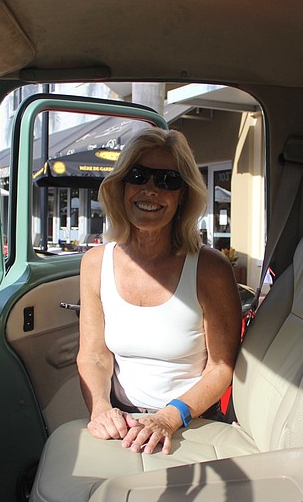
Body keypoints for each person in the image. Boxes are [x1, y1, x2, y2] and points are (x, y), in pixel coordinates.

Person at [77, 127, 241, 456]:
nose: (150, 190)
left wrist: (169, 417)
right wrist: (99, 408)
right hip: (122, 420)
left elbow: (221, 367)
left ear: (182, 195)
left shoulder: (211, 269)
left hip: (191, 421)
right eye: (139, 176)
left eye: (167, 180)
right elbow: (94, 355)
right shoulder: (95, 263)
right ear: (122, 187)